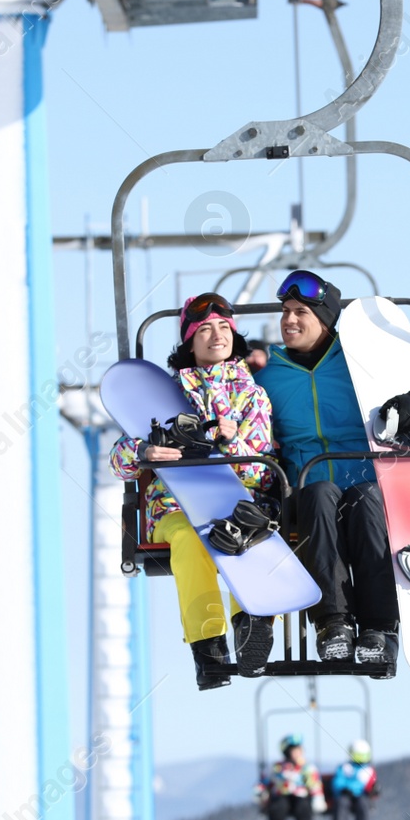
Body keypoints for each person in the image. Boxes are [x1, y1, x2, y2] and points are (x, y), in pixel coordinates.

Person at [255, 270, 410, 673]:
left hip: (369, 482)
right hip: (306, 488)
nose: (289, 320)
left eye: (300, 311)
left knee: (367, 501)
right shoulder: (268, 378)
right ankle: (332, 623)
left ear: (326, 319)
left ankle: (379, 627)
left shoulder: (362, 360)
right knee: (318, 494)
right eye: (285, 311)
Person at [109, 293, 277, 691]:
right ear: (189, 341)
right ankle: (210, 650)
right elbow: (118, 462)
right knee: (191, 538)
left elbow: (259, 466)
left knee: (242, 534)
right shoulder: (161, 396)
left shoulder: (252, 395)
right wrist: (145, 451)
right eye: (204, 329)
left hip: (238, 502)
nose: (216, 334)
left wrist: (229, 443)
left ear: (234, 336)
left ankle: (251, 626)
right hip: (176, 505)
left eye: (223, 327)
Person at [256, 734, 324, 820]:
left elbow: (314, 783)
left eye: (299, 750)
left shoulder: (307, 767)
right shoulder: (277, 767)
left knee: (303, 809)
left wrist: (317, 797)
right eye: (295, 750)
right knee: (277, 808)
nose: (298, 753)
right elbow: (265, 781)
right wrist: (260, 792)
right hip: (282, 797)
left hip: (300, 797)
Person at [330, 738, 379, 820]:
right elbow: (337, 781)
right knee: (341, 803)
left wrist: (374, 790)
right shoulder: (345, 768)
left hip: (360, 797)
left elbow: (370, 784)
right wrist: (343, 789)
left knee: (363, 804)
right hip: (345, 795)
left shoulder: (368, 770)